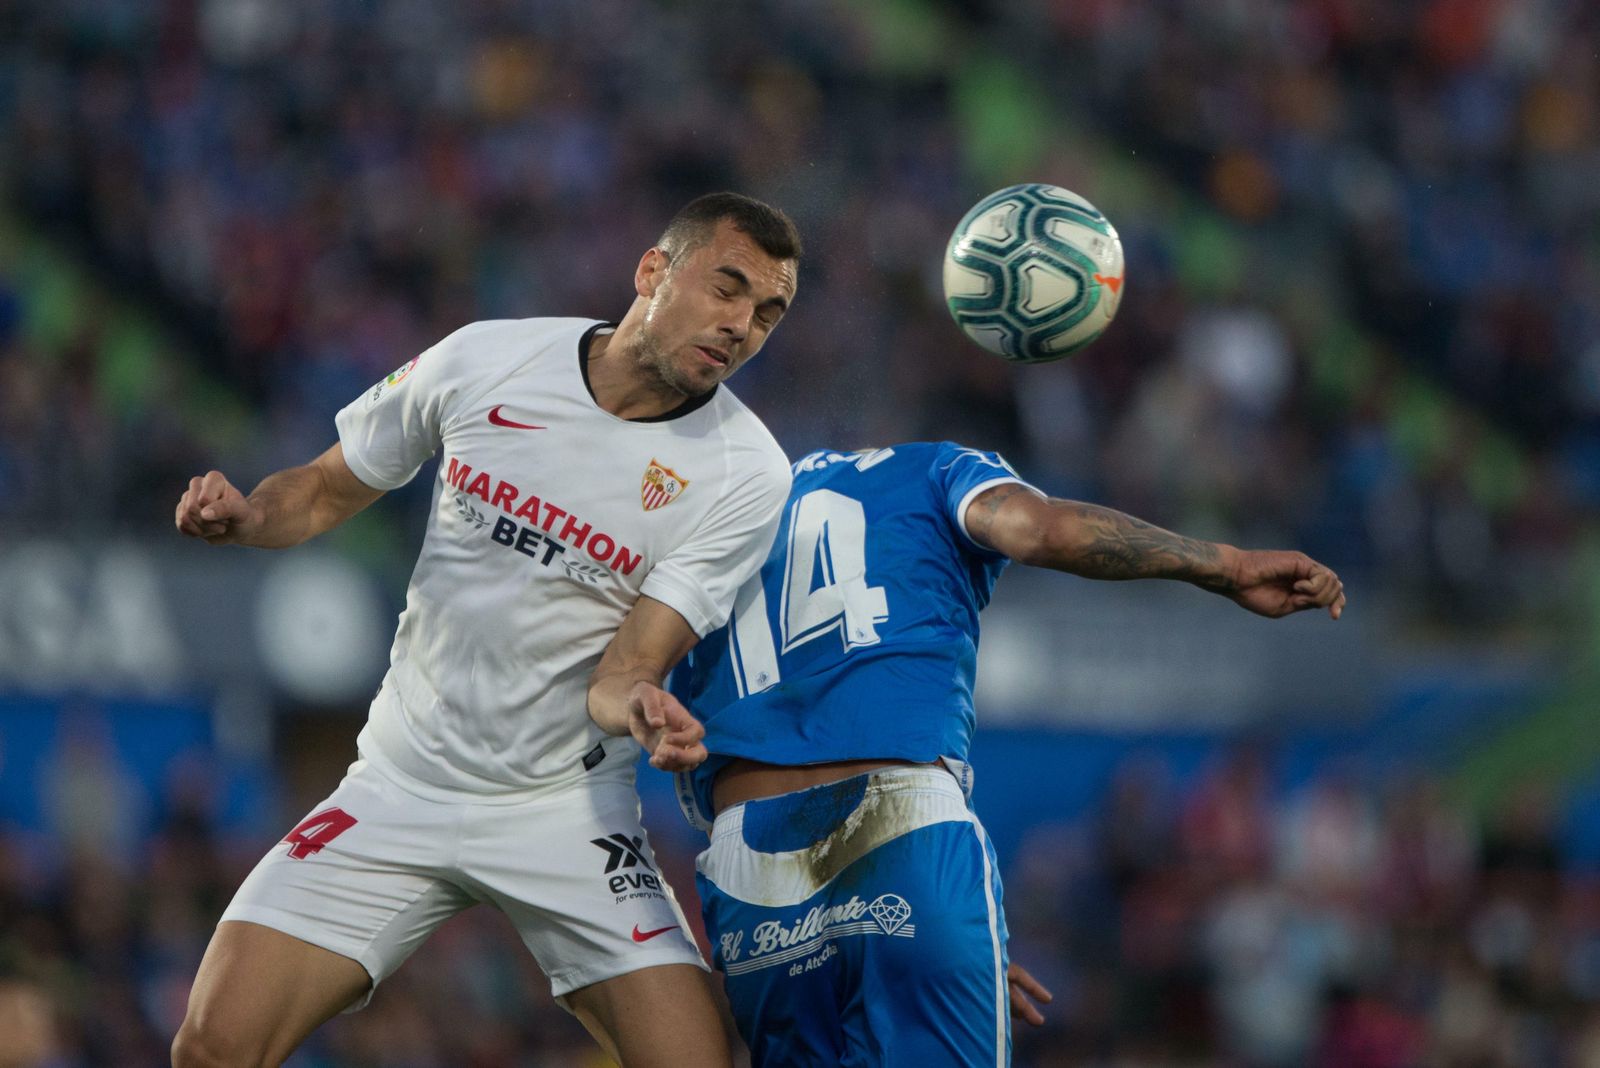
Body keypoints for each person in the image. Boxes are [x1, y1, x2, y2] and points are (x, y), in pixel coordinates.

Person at [170, 192, 801, 1068]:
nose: (742, 326)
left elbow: (626, 666)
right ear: (653, 271)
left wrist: (644, 707)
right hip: (401, 784)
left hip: (565, 809)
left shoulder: (747, 474)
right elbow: (318, 491)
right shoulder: (489, 359)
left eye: (768, 313)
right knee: (212, 1047)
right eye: (728, 288)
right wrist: (246, 517)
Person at [668, 442, 1346, 1065]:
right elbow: (1037, 529)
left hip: (747, 865)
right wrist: (1223, 566)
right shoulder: (933, 468)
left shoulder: (709, 520)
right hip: (902, 832)